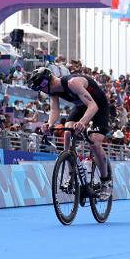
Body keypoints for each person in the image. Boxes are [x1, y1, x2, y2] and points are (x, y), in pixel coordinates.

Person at [29, 67, 112, 200]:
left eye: (40, 89)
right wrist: (49, 124)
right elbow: (55, 109)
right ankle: (72, 174)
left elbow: (93, 106)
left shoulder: (72, 83)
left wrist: (83, 122)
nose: (41, 92)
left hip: (98, 106)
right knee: (68, 131)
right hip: (81, 106)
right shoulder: (53, 91)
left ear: (45, 85)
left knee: (94, 142)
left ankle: (105, 181)